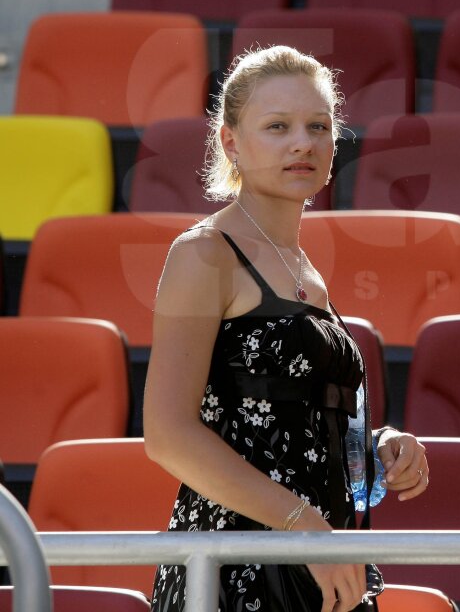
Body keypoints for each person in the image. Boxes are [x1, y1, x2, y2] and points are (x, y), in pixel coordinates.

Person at [144, 46, 430, 612]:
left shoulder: (306, 269)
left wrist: (377, 448)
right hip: (236, 565)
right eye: (278, 126)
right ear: (231, 143)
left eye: (318, 126)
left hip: (324, 562)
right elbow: (168, 434)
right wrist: (305, 529)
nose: (303, 142)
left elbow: (286, 421)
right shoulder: (205, 253)